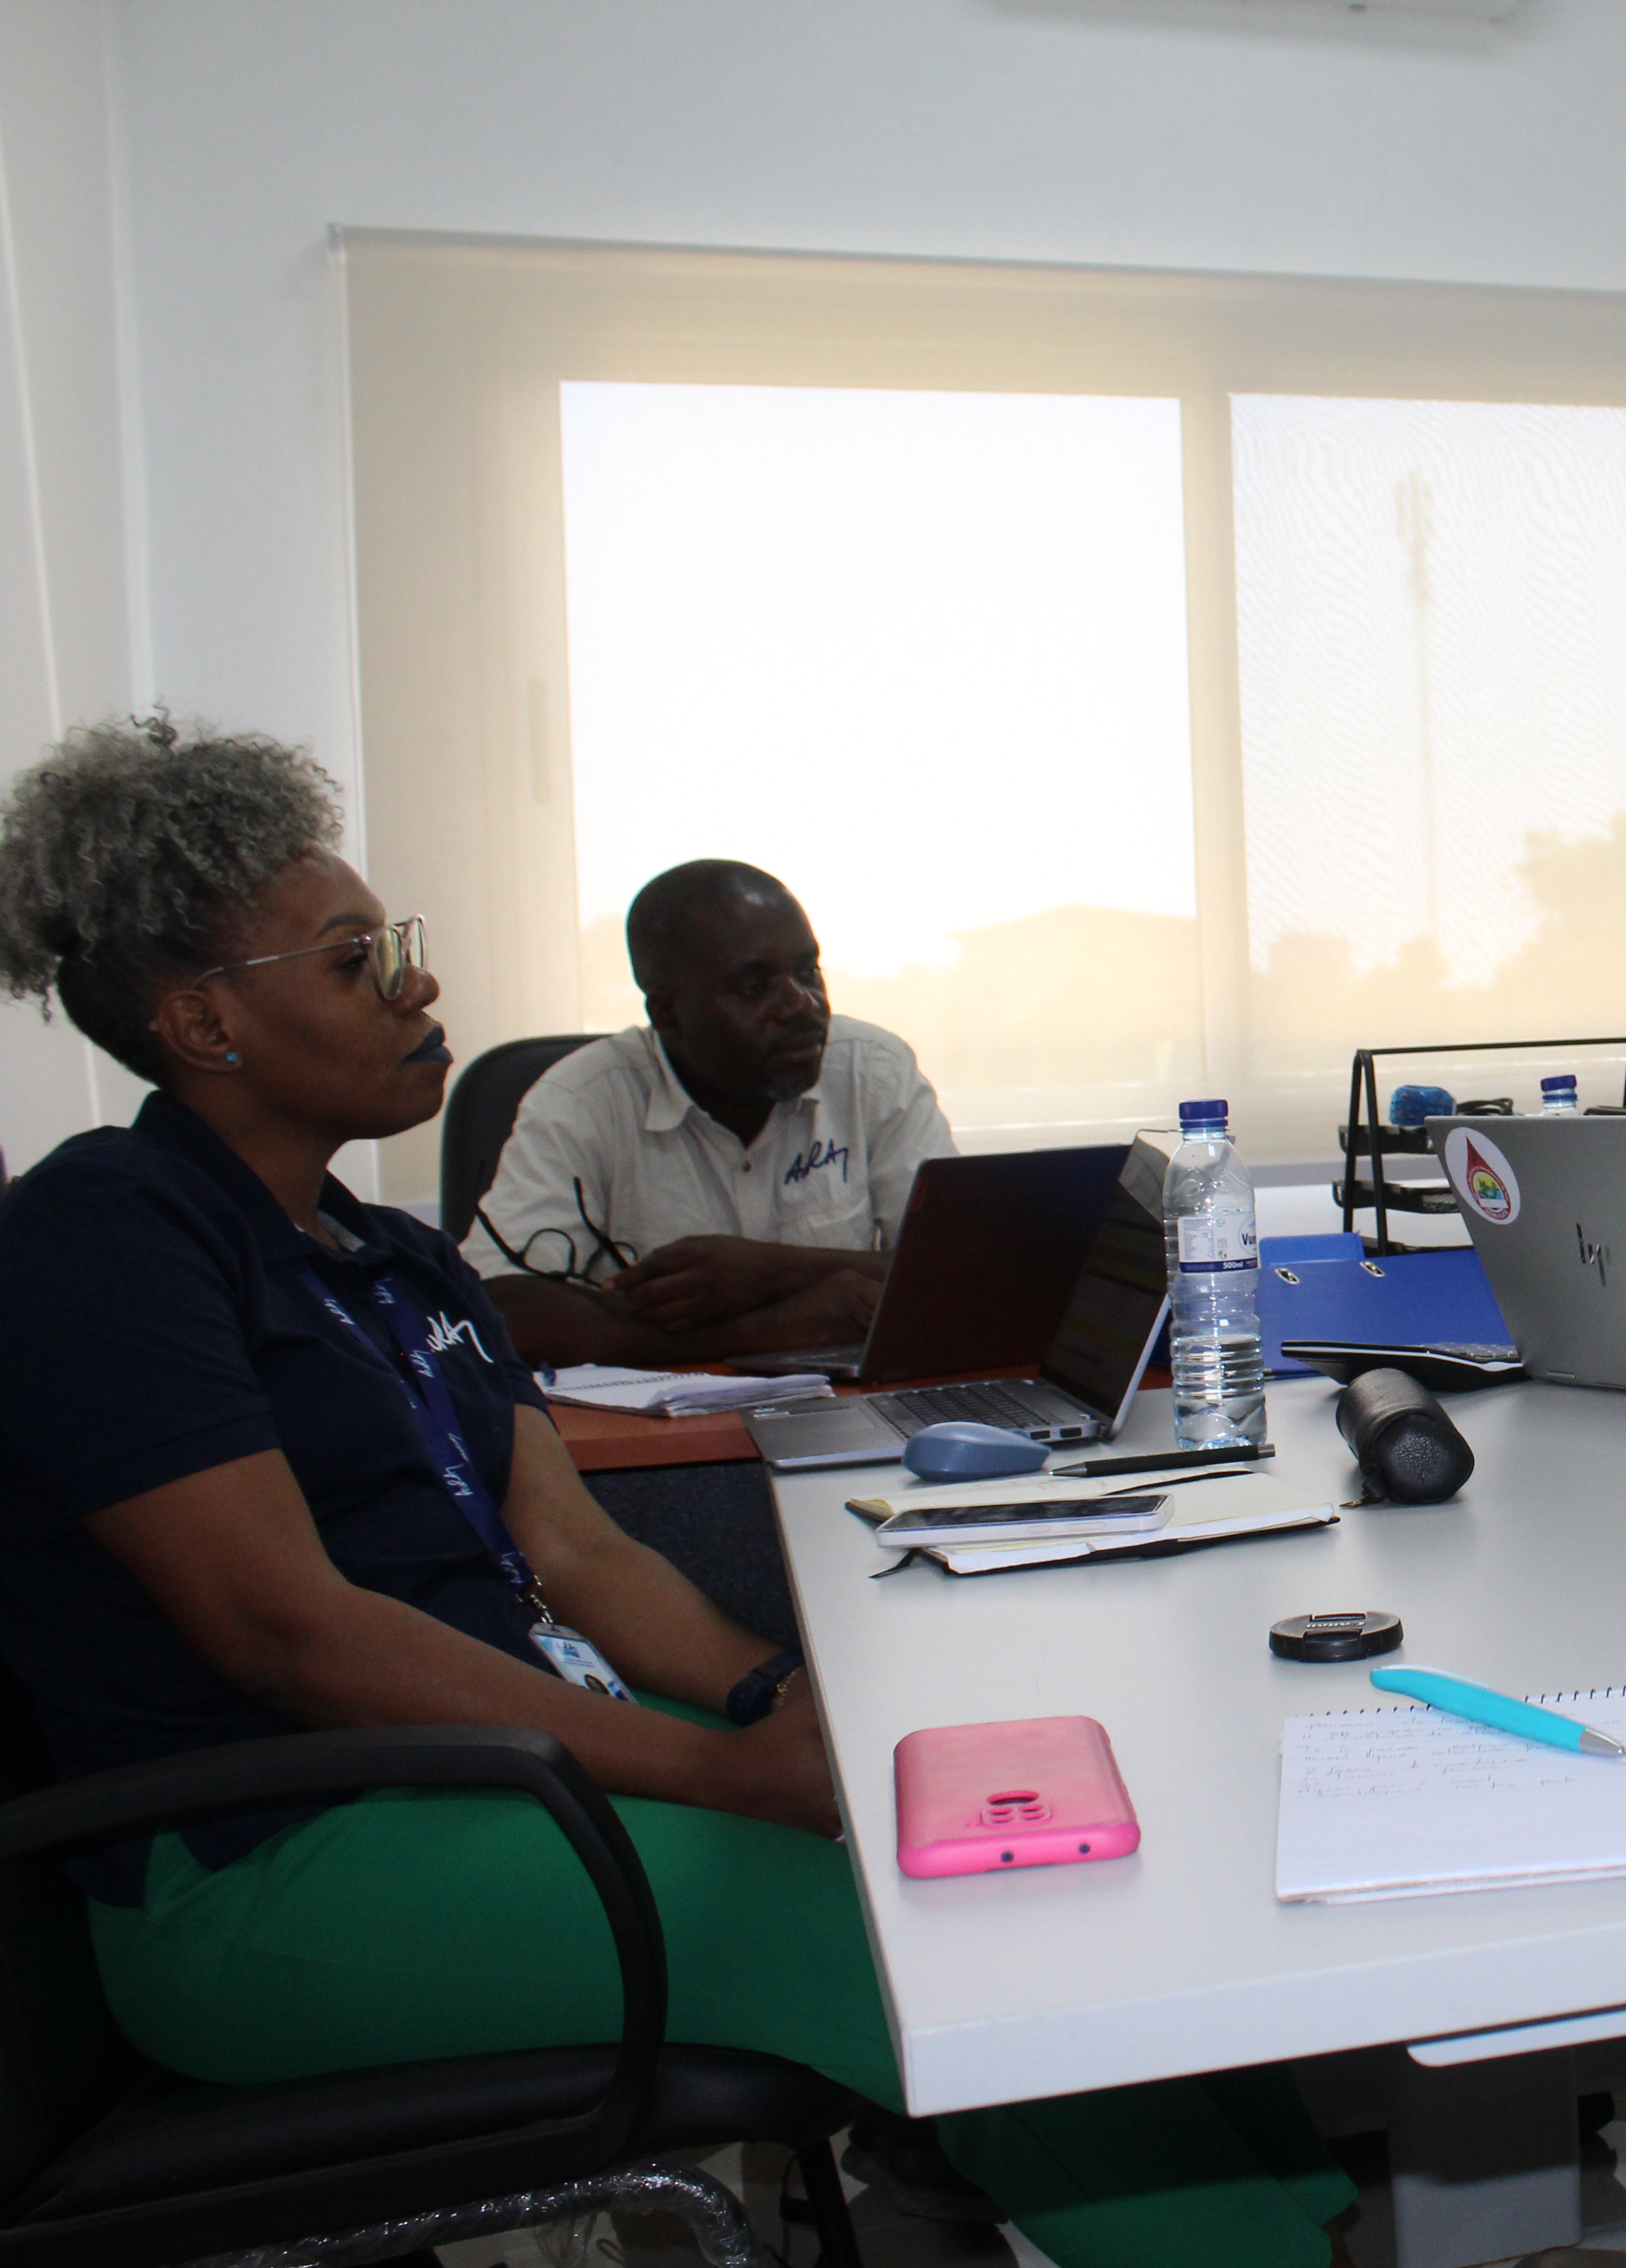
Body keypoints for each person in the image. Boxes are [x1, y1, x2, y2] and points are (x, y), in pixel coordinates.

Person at [0, 723, 1354, 2265]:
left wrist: (772, 1691)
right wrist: (716, 1772)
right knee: (951, 1938)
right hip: (273, 1861)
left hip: (498, 1773)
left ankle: (1304, 2229)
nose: (417, 989)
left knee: (1037, 1839)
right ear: (203, 1019)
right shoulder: (105, 1235)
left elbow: (571, 1545)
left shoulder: (393, 1259)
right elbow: (285, 1628)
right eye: (358, 959)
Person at [469, 858, 953, 1368]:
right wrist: (769, 1331)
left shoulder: (871, 1069)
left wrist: (777, 1270)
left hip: (853, 1412)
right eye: (754, 987)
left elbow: (961, 1270)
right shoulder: (583, 1099)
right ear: (667, 1013)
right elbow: (502, 1312)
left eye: (809, 972)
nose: (802, 1004)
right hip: (657, 1431)